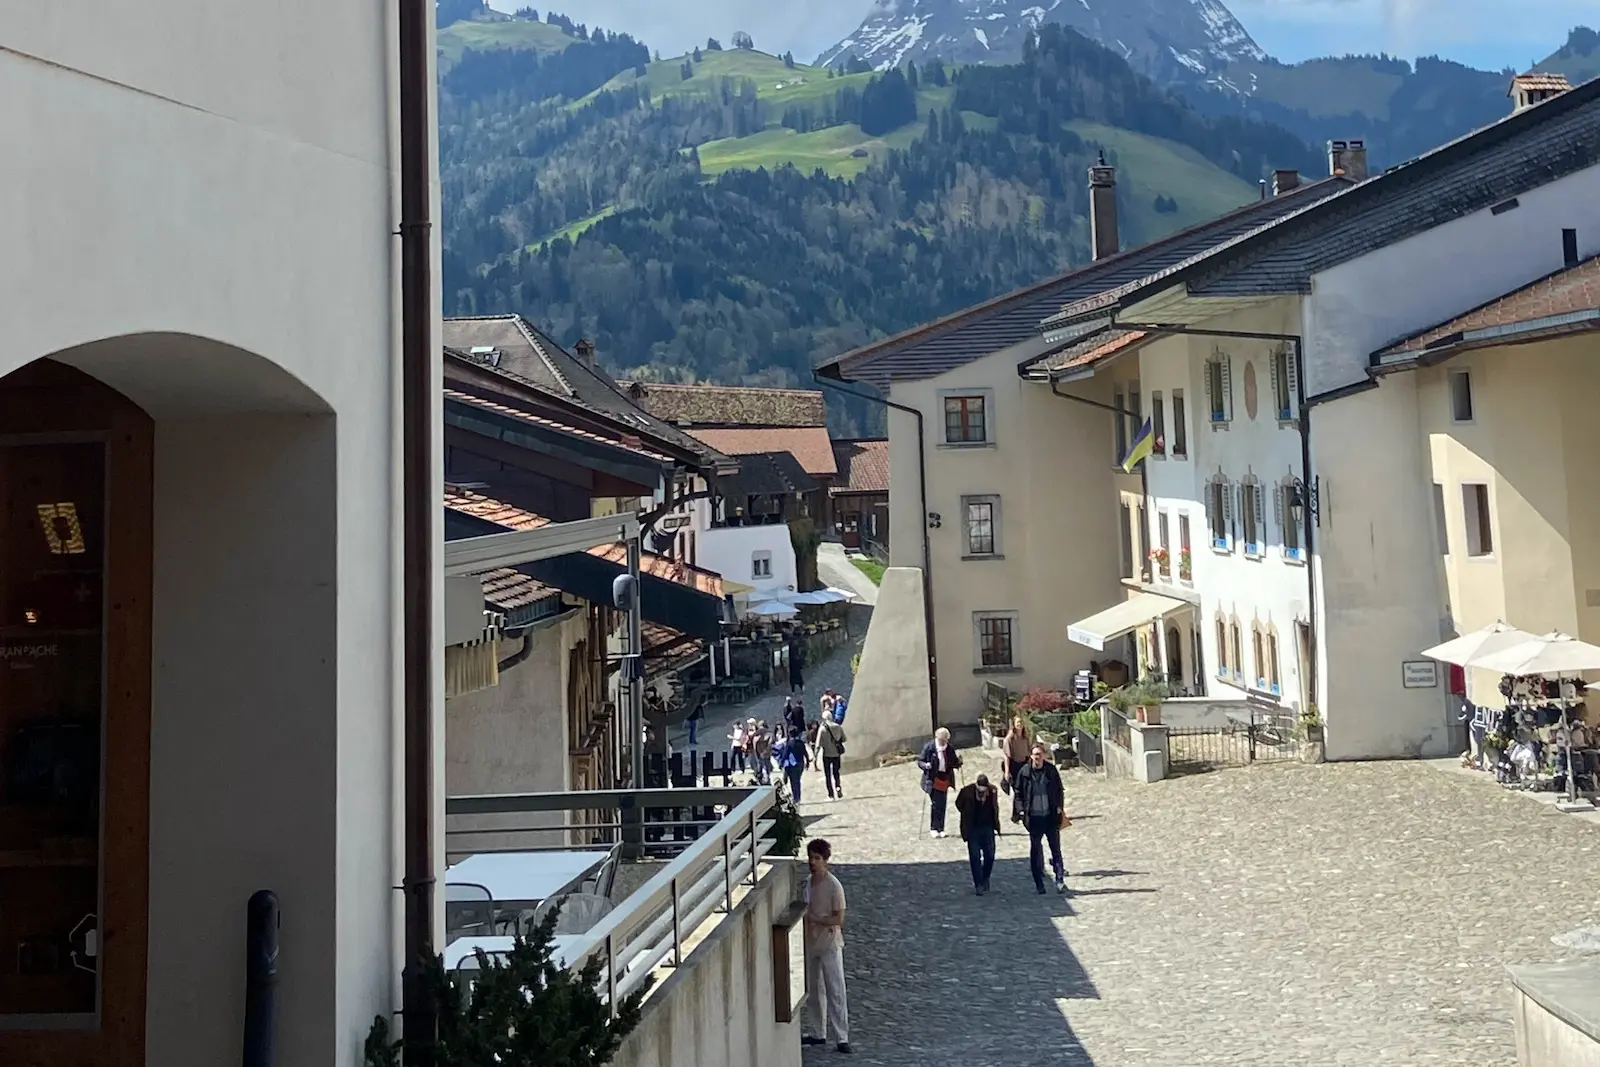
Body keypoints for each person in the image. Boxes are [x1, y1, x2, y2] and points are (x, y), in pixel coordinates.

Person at [801, 838, 851, 1054]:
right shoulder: (807, 884)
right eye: (811, 858)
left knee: (835, 990)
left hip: (830, 943)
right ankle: (818, 1032)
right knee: (813, 990)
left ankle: (842, 1036)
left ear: (826, 860)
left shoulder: (833, 886)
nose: (813, 862)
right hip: (811, 943)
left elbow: (839, 919)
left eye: (817, 858)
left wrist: (816, 919)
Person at [1011, 742, 1068, 895]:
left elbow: (1058, 790)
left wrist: (1059, 807)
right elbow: (1018, 793)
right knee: (1035, 851)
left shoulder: (1050, 770)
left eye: (1040, 754)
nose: (1037, 757)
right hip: (1034, 818)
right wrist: (1021, 811)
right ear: (1031, 756)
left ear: (1044, 756)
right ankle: (1039, 883)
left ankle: (1060, 879)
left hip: (1050, 817)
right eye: (1035, 754)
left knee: (1056, 849)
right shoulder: (1024, 772)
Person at [954, 773, 1001, 894]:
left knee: (990, 855)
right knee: (975, 858)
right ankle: (978, 884)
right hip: (973, 829)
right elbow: (958, 804)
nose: (982, 790)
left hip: (988, 828)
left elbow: (995, 808)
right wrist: (967, 813)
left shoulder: (992, 791)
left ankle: (985, 878)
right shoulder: (967, 792)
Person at [917, 727, 962, 838]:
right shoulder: (930, 747)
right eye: (942, 740)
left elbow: (953, 762)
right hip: (933, 778)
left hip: (944, 778)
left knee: (943, 804)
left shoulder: (949, 748)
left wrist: (959, 762)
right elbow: (920, 761)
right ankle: (933, 828)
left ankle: (941, 828)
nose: (944, 742)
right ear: (938, 738)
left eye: (946, 740)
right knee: (936, 804)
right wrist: (925, 765)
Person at [817, 710, 846, 799]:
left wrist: (815, 756)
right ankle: (838, 787)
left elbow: (818, 744)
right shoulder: (838, 726)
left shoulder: (822, 729)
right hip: (836, 754)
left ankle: (831, 794)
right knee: (836, 772)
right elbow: (844, 739)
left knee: (828, 775)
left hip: (827, 754)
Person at [1001, 715, 1033, 790]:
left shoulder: (1025, 738)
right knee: (1016, 788)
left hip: (1024, 764)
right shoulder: (1009, 739)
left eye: (1021, 722)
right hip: (1014, 765)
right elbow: (1007, 756)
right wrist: (1007, 771)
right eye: (1018, 722)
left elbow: (1029, 753)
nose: (1020, 724)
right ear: (1014, 724)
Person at [778, 726, 807, 803]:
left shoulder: (790, 743)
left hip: (792, 764)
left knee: (793, 782)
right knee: (798, 781)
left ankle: (796, 798)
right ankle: (798, 797)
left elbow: (785, 754)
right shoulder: (801, 742)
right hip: (800, 763)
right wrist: (807, 762)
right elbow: (805, 753)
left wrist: (781, 763)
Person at [750, 720, 773, 785]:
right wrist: (766, 751)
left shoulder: (756, 733)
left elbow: (754, 743)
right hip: (767, 753)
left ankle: (761, 780)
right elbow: (770, 743)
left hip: (759, 752)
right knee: (767, 765)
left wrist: (756, 752)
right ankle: (767, 780)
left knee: (760, 766)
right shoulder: (769, 732)